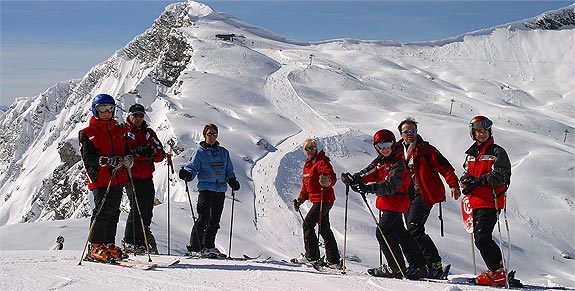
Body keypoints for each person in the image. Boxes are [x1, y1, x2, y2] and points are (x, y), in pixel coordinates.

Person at [344, 129, 428, 279]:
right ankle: (419, 266)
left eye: (388, 144)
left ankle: (395, 267)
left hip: (396, 201)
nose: (385, 149)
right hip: (391, 202)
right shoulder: (383, 161)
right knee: (401, 234)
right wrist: (356, 179)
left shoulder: (398, 162)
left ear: (393, 143)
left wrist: (368, 188)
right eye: (380, 146)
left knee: (382, 232)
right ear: (376, 148)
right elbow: (372, 173)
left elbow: (390, 185)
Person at [397, 117, 461, 278]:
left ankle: (435, 265)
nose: (410, 134)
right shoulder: (397, 150)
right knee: (411, 230)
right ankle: (421, 265)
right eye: (406, 131)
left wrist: (453, 185)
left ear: (416, 132)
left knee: (414, 227)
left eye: (412, 130)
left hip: (425, 194)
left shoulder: (427, 150)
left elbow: (445, 167)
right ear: (401, 133)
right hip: (406, 196)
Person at [79, 93, 133, 262]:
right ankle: (95, 246)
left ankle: (108, 244)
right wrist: (103, 161)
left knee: (114, 212)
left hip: (117, 176)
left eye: (110, 109)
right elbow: (87, 157)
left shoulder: (119, 130)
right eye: (102, 108)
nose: (107, 112)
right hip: (100, 177)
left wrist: (127, 158)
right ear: (95, 110)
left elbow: (125, 150)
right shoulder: (88, 133)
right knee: (101, 211)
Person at [460, 116, 511, 286]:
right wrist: (466, 182)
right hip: (476, 200)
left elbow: (502, 175)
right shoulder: (471, 155)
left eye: (485, 131)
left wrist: (478, 181)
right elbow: (467, 173)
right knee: (479, 238)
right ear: (472, 133)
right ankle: (497, 271)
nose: (482, 134)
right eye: (479, 131)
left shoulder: (497, 152)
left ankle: (497, 272)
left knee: (482, 237)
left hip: (491, 200)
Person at [179, 123, 240, 257]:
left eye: (214, 134)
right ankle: (195, 248)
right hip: (206, 189)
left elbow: (229, 170)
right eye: (209, 134)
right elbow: (192, 167)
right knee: (203, 218)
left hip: (220, 190)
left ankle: (209, 246)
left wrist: (232, 181)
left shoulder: (224, 152)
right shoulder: (200, 153)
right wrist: (187, 174)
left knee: (215, 221)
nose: (212, 136)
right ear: (204, 135)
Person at [122, 104, 166, 255]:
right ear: (129, 115)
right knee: (137, 207)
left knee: (147, 208)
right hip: (131, 176)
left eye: (141, 115)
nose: (138, 118)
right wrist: (138, 153)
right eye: (136, 115)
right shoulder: (124, 132)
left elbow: (161, 154)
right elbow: (124, 153)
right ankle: (130, 241)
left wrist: (151, 153)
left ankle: (141, 241)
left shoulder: (149, 133)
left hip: (147, 175)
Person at [292, 138, 341, 268]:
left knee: (307, 224)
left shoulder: (321, 161)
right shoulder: (308, 165)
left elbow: (331, 175)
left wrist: (328, 180)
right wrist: (300, 200)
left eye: (312, 148)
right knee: (324, 229)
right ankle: (333, 260)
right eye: (307, 149)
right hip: (320, 200)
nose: (310, 151)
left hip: (323, 199)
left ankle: (311, 256)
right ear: (304, 151)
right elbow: (306, 186)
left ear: (316, 148)